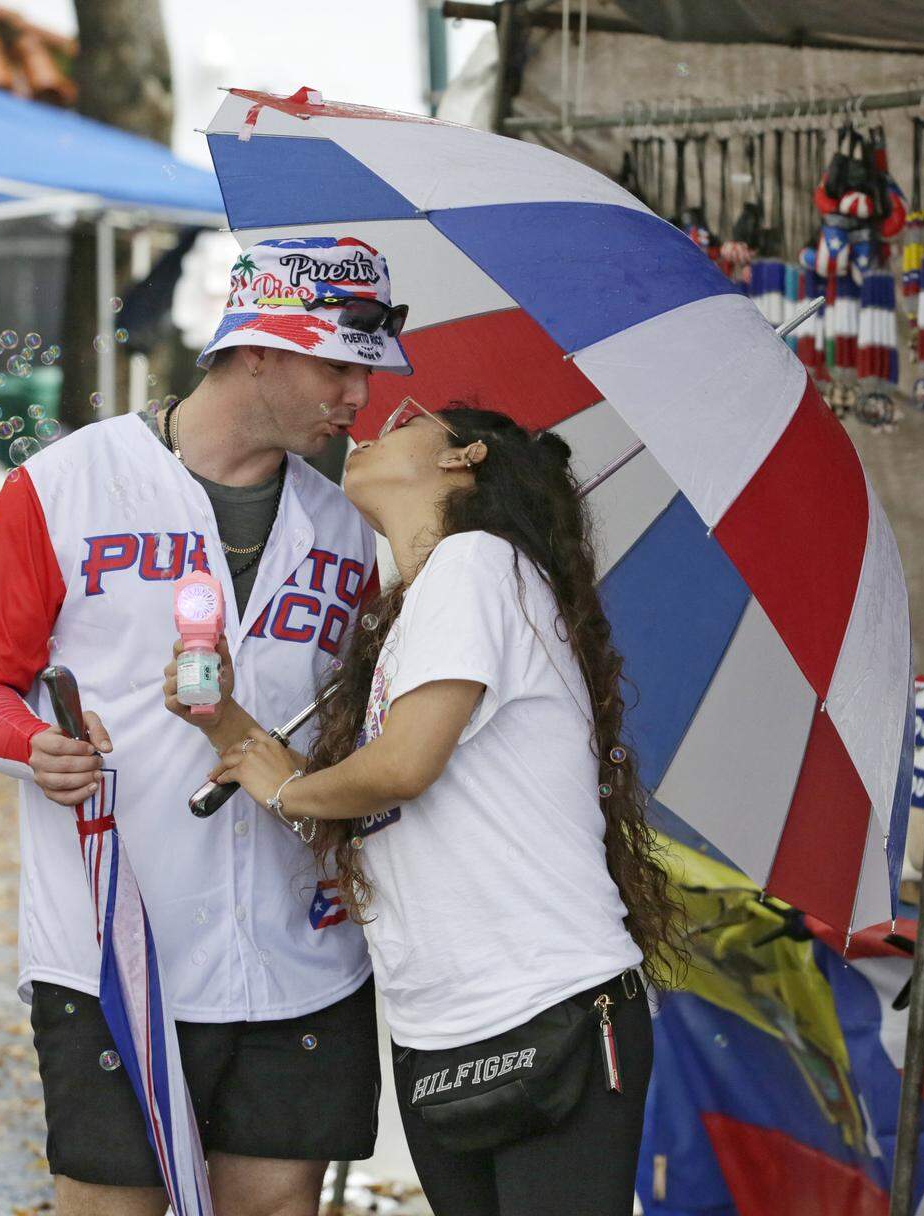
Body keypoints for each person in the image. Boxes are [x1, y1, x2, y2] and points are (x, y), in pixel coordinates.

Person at [0, 237, 413, 1216]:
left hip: (297, 951)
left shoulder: (357, 525)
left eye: (368, 372)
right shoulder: (64, 487)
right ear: (257, 348)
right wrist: (34, 746)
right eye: (339, 366)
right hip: (110, 943)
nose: (358, 398)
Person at [195, 399, 689, 1215]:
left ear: (464, 458)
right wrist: (225, 721)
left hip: (547, 1007)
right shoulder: (422, 602)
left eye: (404, 421)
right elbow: (365, 796)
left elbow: (399, 769)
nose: (373, 424)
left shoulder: (475, 564)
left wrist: (285, 787)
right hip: (439, 1029)